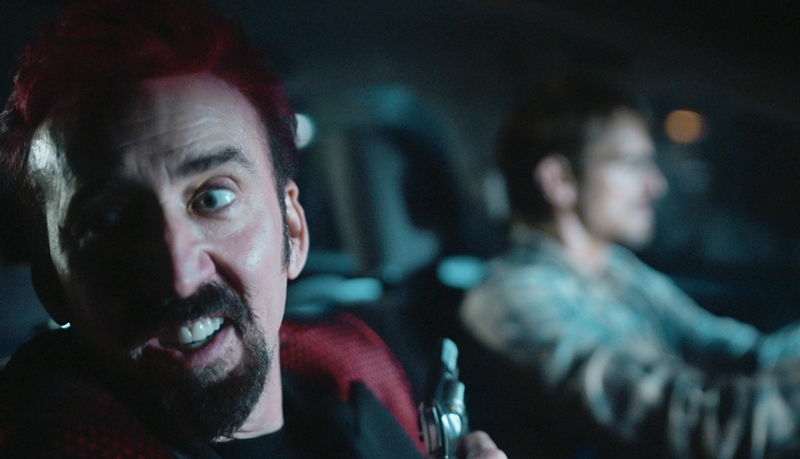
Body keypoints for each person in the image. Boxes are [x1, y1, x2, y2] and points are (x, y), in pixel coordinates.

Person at [0, 1, 507, 458]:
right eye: (108, 221)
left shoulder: (356, 378)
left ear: (293, 230)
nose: (181, 276)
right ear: (51, 284)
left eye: (212, 198)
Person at [460, 79, 800, 459]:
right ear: (560, 180)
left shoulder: (615, 268)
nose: (656, 185)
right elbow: (681, 419)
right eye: (633, 163)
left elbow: (740, 352)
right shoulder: (514, 297)